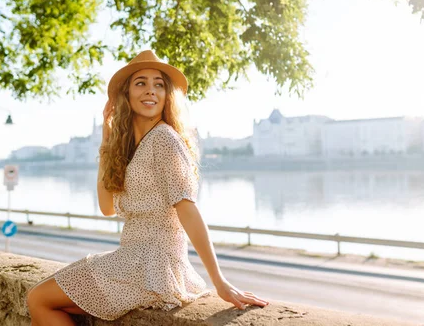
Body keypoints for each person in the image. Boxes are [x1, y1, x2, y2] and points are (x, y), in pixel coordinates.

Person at [27, 50, 268, 325]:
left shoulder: (165, 139)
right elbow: (106, 207)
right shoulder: (130, 149)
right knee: (43, 302)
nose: (150, 91)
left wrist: (220, 281)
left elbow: (188, 209)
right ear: (126, 95)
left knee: (38, 299)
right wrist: (106, 143)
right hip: (133, 259)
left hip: (152, 264)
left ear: (167, 96)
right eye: (140, 83)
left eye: (159, 84)